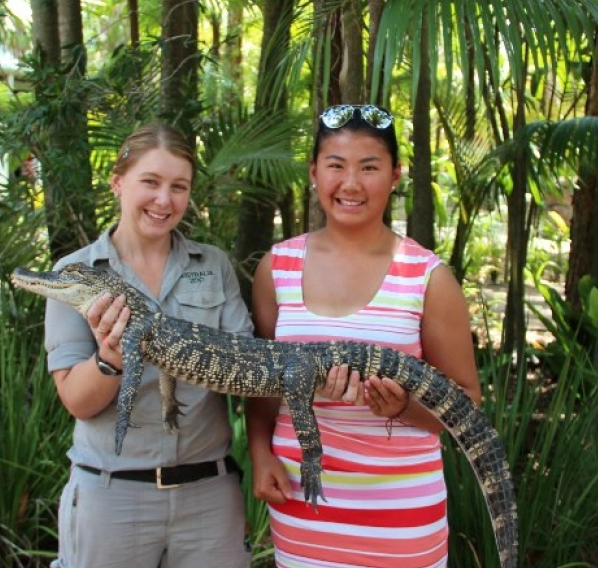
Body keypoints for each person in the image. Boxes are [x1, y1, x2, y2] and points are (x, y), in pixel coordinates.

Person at [246, 104, 483, 568]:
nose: (350, 184)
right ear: (314, 173)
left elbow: (467, 402)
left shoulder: (427, 277)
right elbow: (263, 383)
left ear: (395, 176)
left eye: (369, 167)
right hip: (302, 498)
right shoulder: (277, 268)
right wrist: (259, 453)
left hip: (400, 509)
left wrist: (402, 407)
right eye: (336, 165)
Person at [43, 123, 252, 568]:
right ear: (118, 182)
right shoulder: (74, 272)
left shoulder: (213, 265)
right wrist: (112, 355)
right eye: (150, 182)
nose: (164, 200)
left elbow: (244, 370)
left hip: (209, 497)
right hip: (113, 495)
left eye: (179, 187)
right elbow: (77, 401)